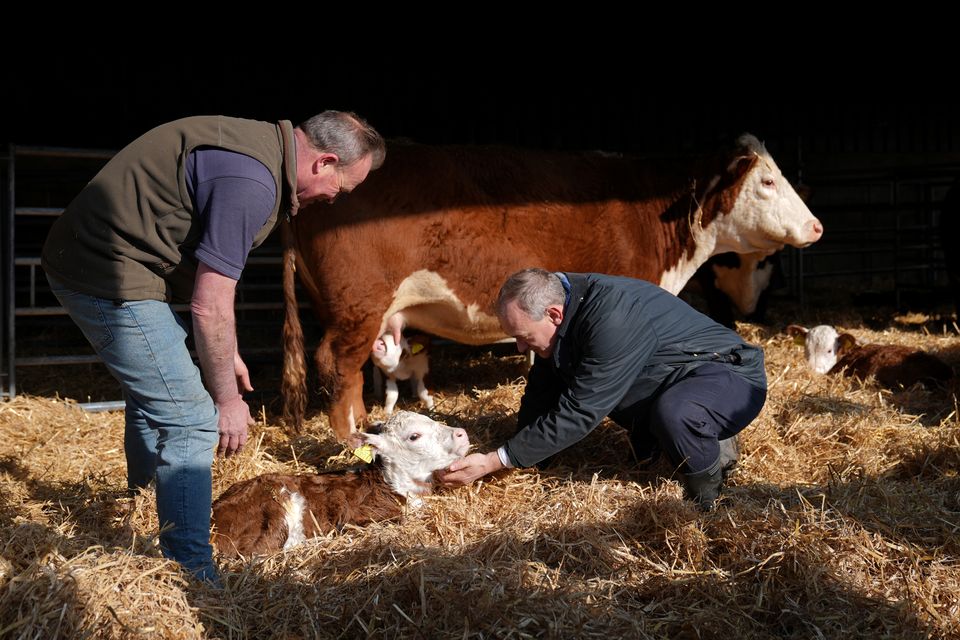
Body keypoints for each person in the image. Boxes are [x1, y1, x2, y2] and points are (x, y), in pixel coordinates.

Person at [41, 111, 385, 582]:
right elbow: (210, 303)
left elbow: (211, 289)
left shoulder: (258, 150)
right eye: (340, 188)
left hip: (112, 260)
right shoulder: (252, 180)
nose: (333, 199)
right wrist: (225, 399)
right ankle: (190, 572)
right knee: (190, 419)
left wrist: (225, 353)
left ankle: (147, 510)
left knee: (156, 399)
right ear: (323, 163)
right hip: (105, 271)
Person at [440, 268, 767, 510]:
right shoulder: (565, 315)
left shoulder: (610, 318)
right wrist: (525, 459)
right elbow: (542, 390)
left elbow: (582, 411)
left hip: (729, 375)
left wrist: (496, 461)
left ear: (554, 314)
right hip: (673, 377)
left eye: (524, 335)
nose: (518, 347)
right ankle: (673, 436)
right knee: (649, 426)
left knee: (677, 413)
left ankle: (707, 499)